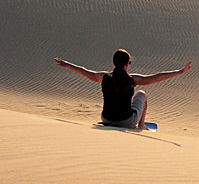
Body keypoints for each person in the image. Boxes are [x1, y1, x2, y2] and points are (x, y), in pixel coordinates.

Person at [54, 49, 191, 130]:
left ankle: (137, 123)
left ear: (114, 63)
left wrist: (66, 65)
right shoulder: (132, 79)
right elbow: (156, 78)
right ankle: (141, 126)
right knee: (142, 94)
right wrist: (179, 72)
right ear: (127, 64)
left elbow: (84, 72)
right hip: (126, 122)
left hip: (106, 118)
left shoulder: (104, 77)